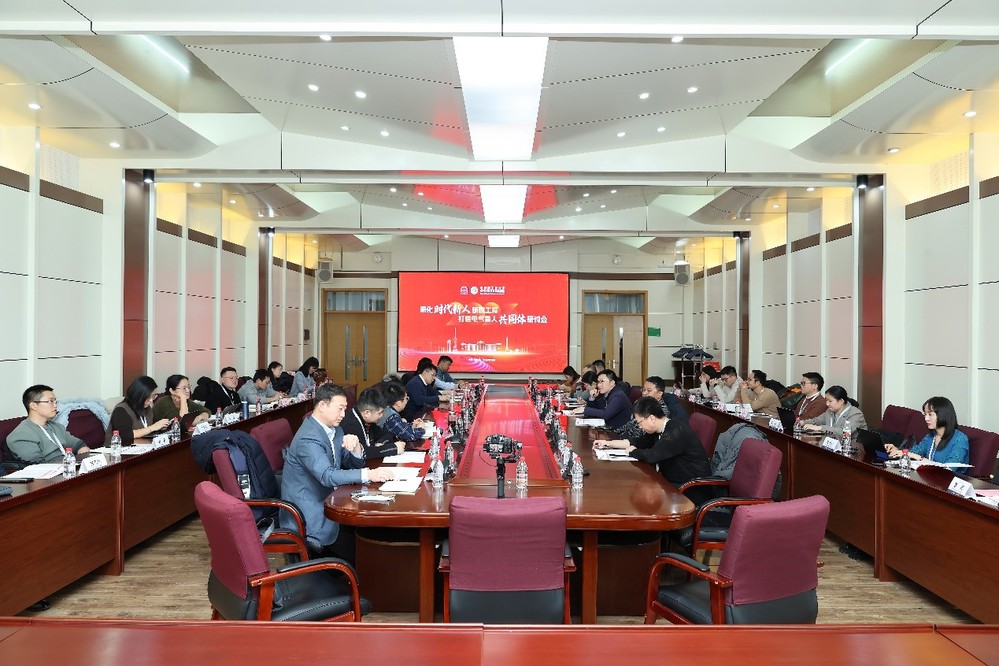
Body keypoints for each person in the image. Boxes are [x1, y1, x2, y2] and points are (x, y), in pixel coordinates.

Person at [280, 383, 394, 562]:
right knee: (364, 551)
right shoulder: (308, 437)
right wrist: (368, 474)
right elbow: (327, 476)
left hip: (332, 499)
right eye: (340, 409)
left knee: (372, 531)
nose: (343, 414)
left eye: (345, 409)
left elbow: (349, 463)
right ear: (322, 405)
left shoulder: (335, 430)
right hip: (312, 514)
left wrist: (356, 448)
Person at [595, 397, 711, 488]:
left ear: (651, 418)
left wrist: (633, 452)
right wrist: (608, 443)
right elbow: (636, 442)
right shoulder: (657, 430)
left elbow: (652, 456)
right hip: (671, 482)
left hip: (689, 488)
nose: (639, 427)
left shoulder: (675, 431)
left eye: (639, 422)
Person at [4, 385, 91, 465]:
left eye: (55, 401)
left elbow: (79, 445)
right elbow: (38, 466)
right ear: (33, 406)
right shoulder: (21, 435)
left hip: (68, 468)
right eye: (50, 401)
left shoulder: (57, 427)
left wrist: (85, 459)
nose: (55, 405)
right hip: (49, 473)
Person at [885, 396, 970, 465]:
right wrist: (897, 451)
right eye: (925, 414)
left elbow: (949, 469)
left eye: (930, 414)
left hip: (950, 480)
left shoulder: (960, 439)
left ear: (943, 415)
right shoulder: (930, 437)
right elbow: (914, 452)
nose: (926, 418)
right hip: (930, 478)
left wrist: (917, 457)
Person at [340, 386, 404, 458]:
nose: (382, 415)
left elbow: (387, 434)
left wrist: (380, 443)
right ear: (367, 413)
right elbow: (362, 452)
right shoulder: (350, 425)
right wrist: (392, 449)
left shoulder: (368, 420)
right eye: (380, 413)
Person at [106, 376, 171, 445]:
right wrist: (152, 428)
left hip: (143, 445)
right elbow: (124, 436)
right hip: (118, 448)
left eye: (153, 396)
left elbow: (151, 426)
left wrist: (160, 427)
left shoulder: (147, 408)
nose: (151, 400)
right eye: (148, 397)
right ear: (138, 395)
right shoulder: (121, 410)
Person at [802, 385, 867, 436]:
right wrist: (802, 422)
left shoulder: (856, 414)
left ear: (841, 401)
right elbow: (816, 421)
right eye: (826, 400)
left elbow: (844, 432)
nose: (827, 404)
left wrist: (820, 428)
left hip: (853, 446)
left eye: (830, 401)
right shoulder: (829, 411)